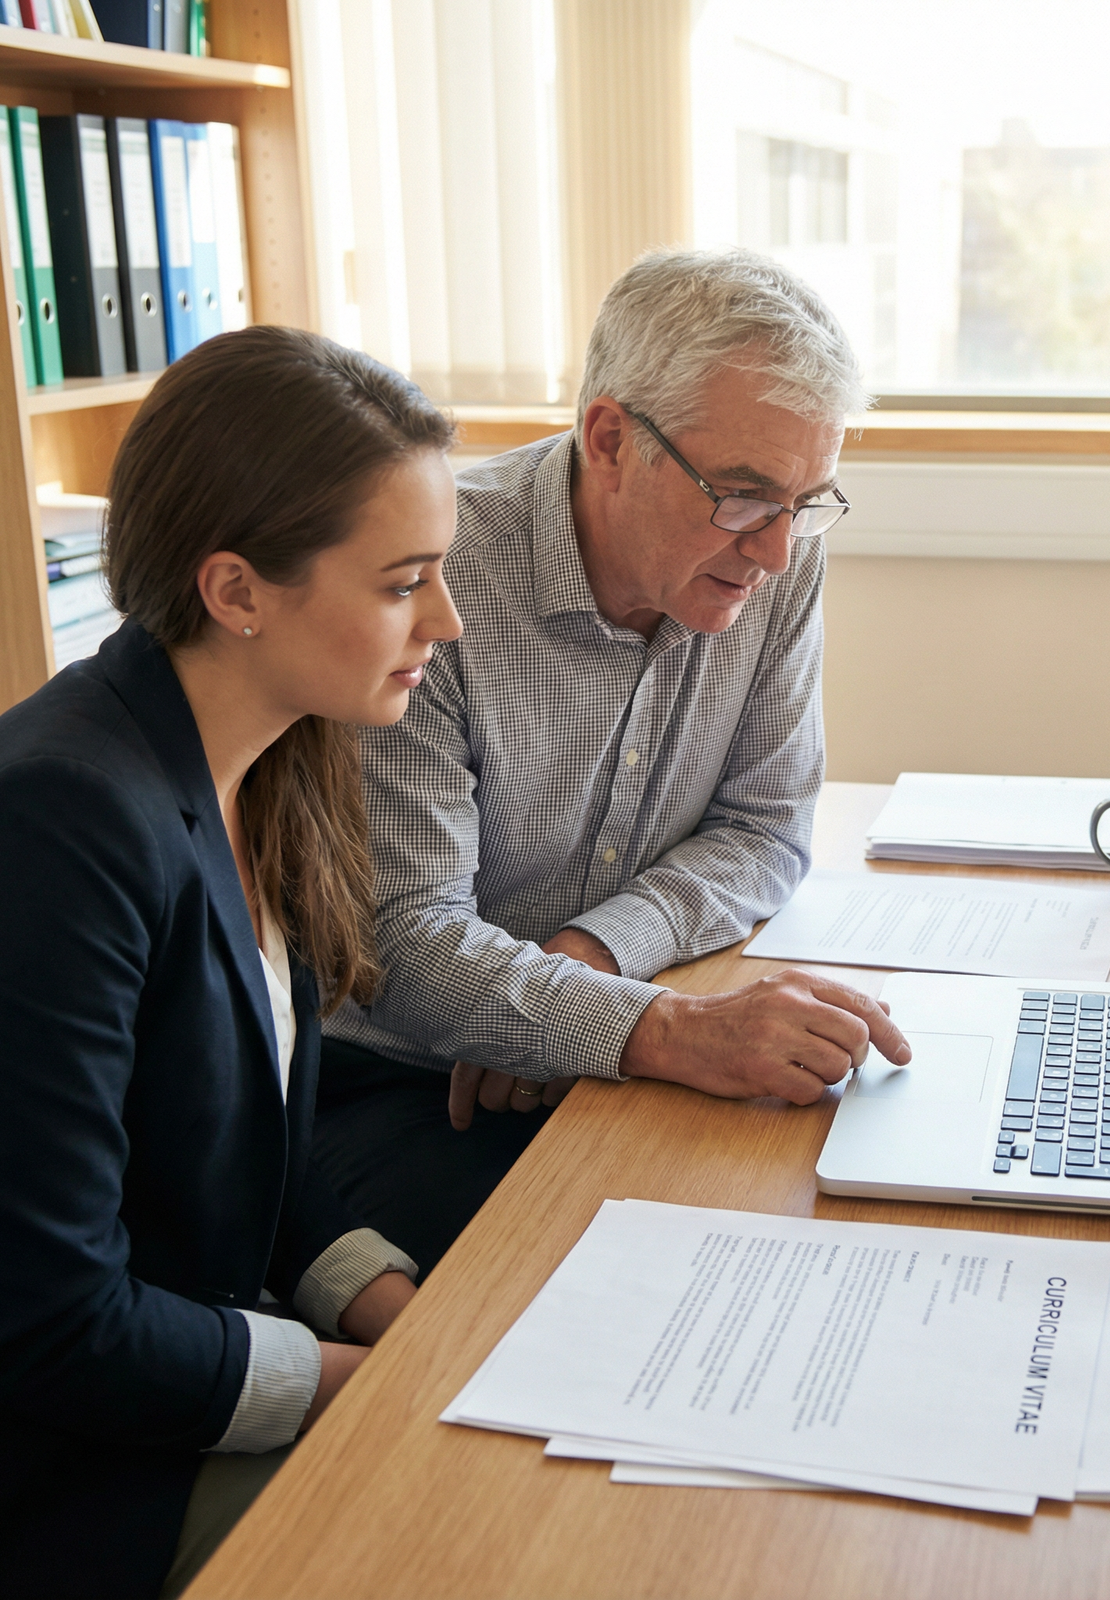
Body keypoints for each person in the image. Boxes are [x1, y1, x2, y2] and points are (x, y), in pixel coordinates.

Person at [317, 248, 911, 1275]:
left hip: (618, 1024)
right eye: (742, 495)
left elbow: (764, 826)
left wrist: (593, 957)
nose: (775, 552)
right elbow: (403, 948)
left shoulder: (781, 551)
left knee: (828, 1216)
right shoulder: (437, 573)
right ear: (609, 439)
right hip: (407, 1082)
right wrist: (671, 1032)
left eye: (807, 500)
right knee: (657, 1280)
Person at [0, 327, 463, 1599]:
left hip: (190, 1358)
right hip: (79, 1459)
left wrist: (400, 1310)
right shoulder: (60, 819)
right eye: (403, 582)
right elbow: (54, 1318)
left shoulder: (271, 755)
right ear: (237, 591)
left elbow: (249, 1143)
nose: (446, 620)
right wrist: (370, 1385)